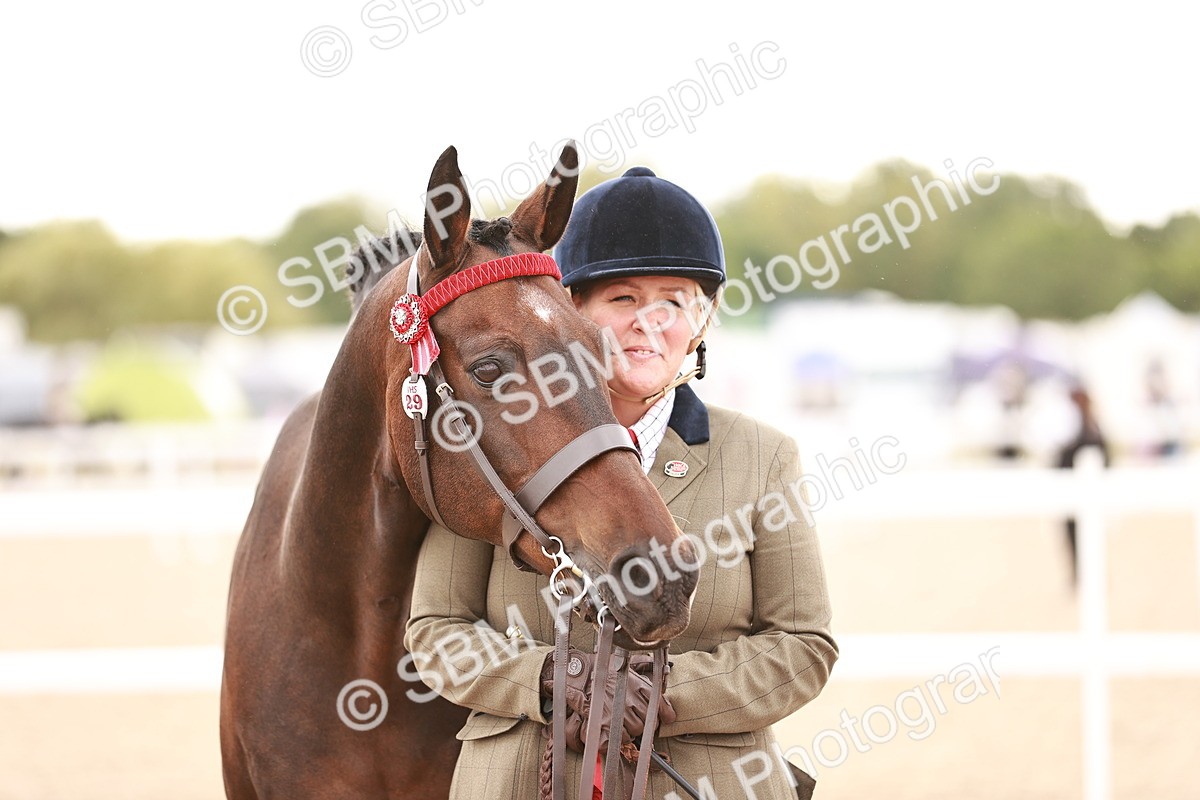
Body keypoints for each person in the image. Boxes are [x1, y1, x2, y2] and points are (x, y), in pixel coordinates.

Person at [405, 166, 838, 799]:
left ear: (704, 320)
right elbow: (438, 631)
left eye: (674, 301)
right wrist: (552, 680)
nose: (649, 322)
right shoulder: (499, 445)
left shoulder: (764, 456)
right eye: (623, 299)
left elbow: (804, 646)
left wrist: (663, 696)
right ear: (570, 313)